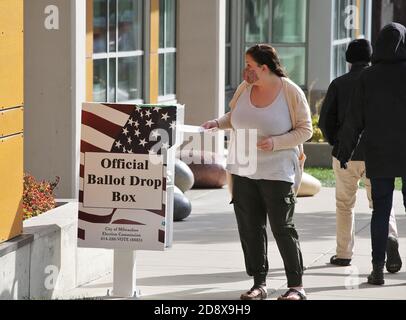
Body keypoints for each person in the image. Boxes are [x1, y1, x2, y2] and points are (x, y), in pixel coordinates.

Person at [202, 44, 312, 300]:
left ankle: (296, 286)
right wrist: (217, 124)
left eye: (250, 66)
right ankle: (259, 283)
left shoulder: (290, 92)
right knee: (250, 228)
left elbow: (305, 129)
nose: (245, 71)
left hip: (277, 170)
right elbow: (235, 115)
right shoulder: (245, 88)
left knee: (282, 227)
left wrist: (276, 142)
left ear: (264, 68)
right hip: (243, 168)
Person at [319, 39, 402, 273]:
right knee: (381, 203)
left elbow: (326, 120)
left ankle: (344, 254)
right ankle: (389, 237)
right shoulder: (380, 81)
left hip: (347, 153)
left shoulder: (339, 83)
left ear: (347, 59)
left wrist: (337, 143)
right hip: (377, 153)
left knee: (345, 204)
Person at [337, 23, 406, 285]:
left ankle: (377, 269)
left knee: (380, 210)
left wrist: (345, 151)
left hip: (378, 151)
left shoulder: (368, 76)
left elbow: (354, 119)